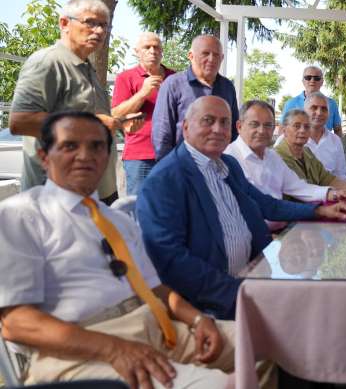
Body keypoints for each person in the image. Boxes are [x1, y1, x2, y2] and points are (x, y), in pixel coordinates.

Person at [0, 111, 235, 388]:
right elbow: (16, 323)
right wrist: (114, 348)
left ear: (107, 156)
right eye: (70, 146)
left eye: (96, 146)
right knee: (224, 385)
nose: (85, 155)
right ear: (44, 156)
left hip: (156, 330)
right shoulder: (20, 216)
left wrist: (197, 319)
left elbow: (155, 288)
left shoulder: (118, 220)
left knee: (266, 337)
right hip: (78, 351)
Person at [137, 96, 346, 320]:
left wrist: (318, 211)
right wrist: (240, 293)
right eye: (208, 121)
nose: (218, 129)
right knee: (311, 315)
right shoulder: (165, 180)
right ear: (186, 127)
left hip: (255, 275)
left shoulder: (227, 165)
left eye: (224, 122)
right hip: (212, 304)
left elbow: (265, 204)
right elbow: (170, 260)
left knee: (327, 302)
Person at [9, 0, 141, 204]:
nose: (99, 31)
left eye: (104, 25)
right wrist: (93, 124)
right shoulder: (47, 62)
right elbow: (20, 122)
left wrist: (118, 122)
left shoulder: (86, 68)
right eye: (90, 22)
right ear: (64, 23)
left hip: (96, 191)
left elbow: (91, 116)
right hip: (57, 197)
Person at [224, 100, 346, 204]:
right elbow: (267, 207)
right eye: (254, 124)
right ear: (239, 127)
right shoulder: (227, 159)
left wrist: (334, 194)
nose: (262, 131)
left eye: (268, 125)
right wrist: (317, 210)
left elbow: (299, 188)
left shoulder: (272, 156)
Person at [151, 35, 239, 161]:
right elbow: (162, 133)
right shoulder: (174, 84)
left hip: (216, 164)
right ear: (191, 56)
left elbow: (233, 129)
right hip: (182, 164)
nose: (211, 59)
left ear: (222, 58)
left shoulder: (227, 87)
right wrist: (168, 166)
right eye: (205, 53)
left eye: (216, 55)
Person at [112, 32, 175, 195]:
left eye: (156, 47)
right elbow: (116, 114)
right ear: (137, 51)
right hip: (139, 156)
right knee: (138, 206)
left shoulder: (175, 78)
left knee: (171, 206)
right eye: (147, 47)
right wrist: (143, 93)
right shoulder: (125, 77)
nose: (152, 51)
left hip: (172, 154)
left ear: (162, 51)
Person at [275, 110, 346, 197]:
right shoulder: (277, 156)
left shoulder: (307, 153)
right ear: (284, 131)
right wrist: (333, 194)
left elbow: (328, 179)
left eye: (307, 127)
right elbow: (301, 190)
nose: (302, 130)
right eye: (297, 126)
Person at [280, 65, 343, 137]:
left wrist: (338, 143)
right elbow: (282, 129)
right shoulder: (290, 104)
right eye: (308, 78)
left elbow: (338, 129)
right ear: (303, 81)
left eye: (317, 78)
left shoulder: (332, 104)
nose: (312, 80)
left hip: (325, 143)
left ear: (322, 82)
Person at [304, 91, 346, 179]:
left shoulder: (335, 141)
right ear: (304, 111)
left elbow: (341, 176)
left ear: (328, 114)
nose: (319, 113)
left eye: (324, 109)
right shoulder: (288, 139)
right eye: (314, 108)